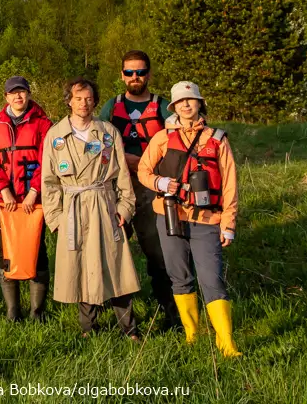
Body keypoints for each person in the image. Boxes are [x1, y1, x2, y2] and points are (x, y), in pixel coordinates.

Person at [138, 81, 242, 357]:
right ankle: (192, 335)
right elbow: (144, 171)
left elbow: (230, 183)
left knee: (212, 279)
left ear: (199, 103)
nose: (186, 105)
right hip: (170, 216)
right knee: (179, 277)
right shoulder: (162, 138)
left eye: (191, 100)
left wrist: (228, 223)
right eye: (180, 102)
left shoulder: (217, 139)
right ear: (173, 107)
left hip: (208, 219)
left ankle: (226, 343)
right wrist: (160, 182)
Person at [42, 77, 141, 339]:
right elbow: (49, 182)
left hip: (104, 205)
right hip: (73, 209)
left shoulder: (108, 132)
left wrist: (125, 208)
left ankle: (129, 329)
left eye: (88, 98)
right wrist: (56, 218)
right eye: (78, 98)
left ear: (94, 101)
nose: (83, 103)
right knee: (80, 266)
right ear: (69, 101)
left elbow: (122, 175)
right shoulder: (55, 135)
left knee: (117, 265)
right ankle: (89, 329)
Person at [101, 50, 179, 331]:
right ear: (122, 75)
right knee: (112, 249)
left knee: (159, 252)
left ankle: (172, 312)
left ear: (149, 74)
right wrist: (126, 159)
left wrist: (144, 163)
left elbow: (179, 142)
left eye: (141, 72)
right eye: (130, 72)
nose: (136, 77)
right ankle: (115, 316)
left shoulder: (163, 107)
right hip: (118, 187)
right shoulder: (111, 106)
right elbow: (99, 141)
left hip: (152, 188)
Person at [0, 76, 52, 321]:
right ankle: (13, 311)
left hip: (34, 199)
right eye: (13, 93)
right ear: (6, 97)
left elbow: (48, 162)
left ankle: (37, 312)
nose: (18, 97)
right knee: (8, 252)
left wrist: (35, 191)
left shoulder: (44, 124)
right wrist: (3, 189)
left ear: (29, 95)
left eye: (22, 92)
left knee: (36, 250)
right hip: (6, 201)